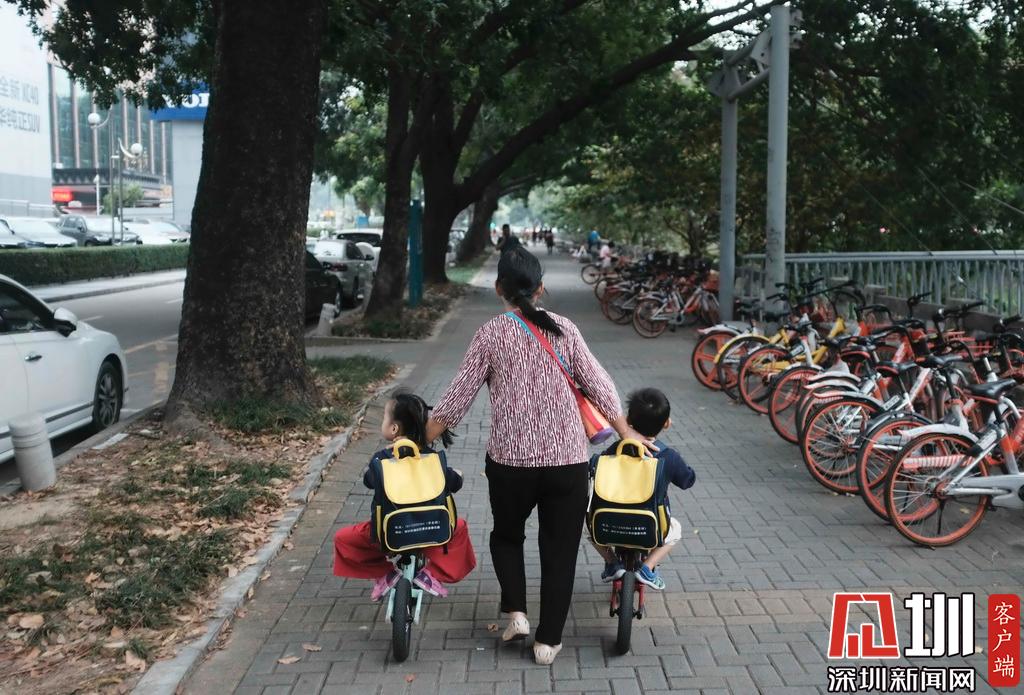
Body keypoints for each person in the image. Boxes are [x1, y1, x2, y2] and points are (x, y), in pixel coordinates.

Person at [425, 246, 650, 665]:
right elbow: (599, 383)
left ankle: (517, 613)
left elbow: (457, 398)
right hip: (567, 463)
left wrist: (421, 440)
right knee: (560, 551)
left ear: (498, 289)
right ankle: (548, 642)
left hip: (510, 464)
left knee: (506, 536)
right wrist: (626, 432)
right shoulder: (565, 329)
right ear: (541, 289)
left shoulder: (490, 334)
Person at [333, 392, 477, 601]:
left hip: (388, 533)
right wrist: (458, 475)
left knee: (344, 539)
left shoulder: (381, 459)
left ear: (393, 429)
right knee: (459, 528)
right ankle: (432, 575)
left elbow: (369, 481)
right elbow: (454, 482)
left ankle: (385, 574)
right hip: (432, 530)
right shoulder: (432, 459)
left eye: (384, 418)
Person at [590, 388, 695, 590]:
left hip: (608, 524)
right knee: (676, 529)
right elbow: (687, 481)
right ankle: (647, 568)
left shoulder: (615, 450)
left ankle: (612, 563)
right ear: (667, 423)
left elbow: (595, 468)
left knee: (587, 525)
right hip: (651, 528)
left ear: (628, 420)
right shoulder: (668, 456)